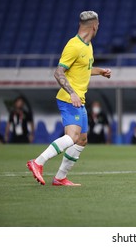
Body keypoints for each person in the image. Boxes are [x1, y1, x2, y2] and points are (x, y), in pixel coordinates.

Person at [26, 11, 112, 186]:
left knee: (81, 139)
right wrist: (72, 93)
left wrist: (100, 71)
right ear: (94, 26)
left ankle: (60, 178)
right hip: (69, 98)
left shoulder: (88, 45)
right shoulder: (74, 45)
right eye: (98, 25)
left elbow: (84, 69)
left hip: (80, 99)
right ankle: (38, 162)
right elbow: (58, 72)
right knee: (72, 137)